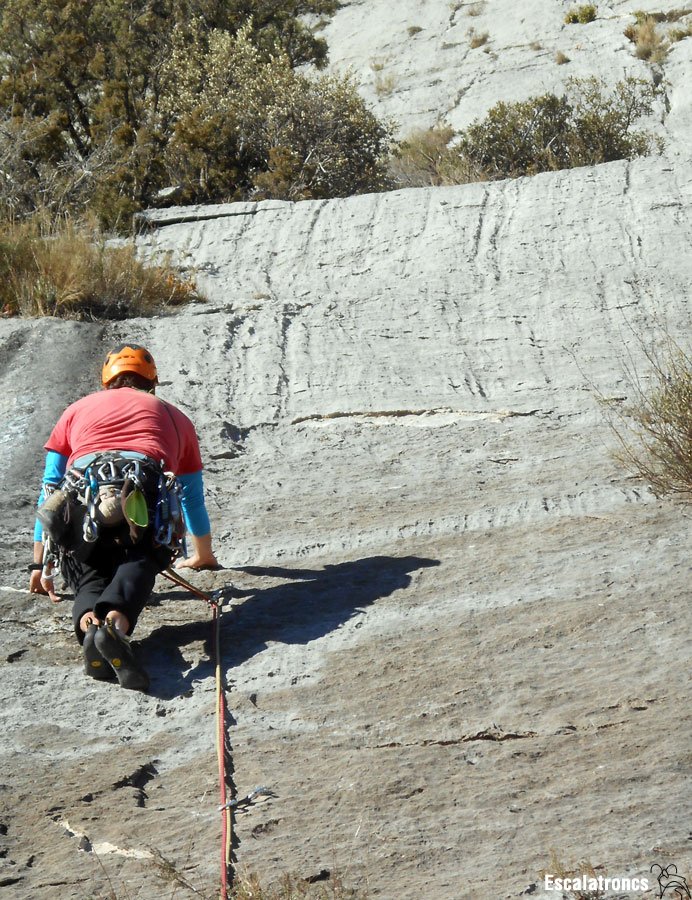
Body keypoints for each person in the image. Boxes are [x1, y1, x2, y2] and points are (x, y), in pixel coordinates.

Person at [28, 343, 219, 692]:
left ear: (106, 382)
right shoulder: (176, 417)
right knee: (142, 557)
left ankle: (90, 627)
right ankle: (115, 627)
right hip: (141, 487)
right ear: (153, 382)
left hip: (83, 492)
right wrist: (203, 554)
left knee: (87, 571)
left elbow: (49, 489)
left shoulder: (76, 409)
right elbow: (191, 496)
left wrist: (39, 564)